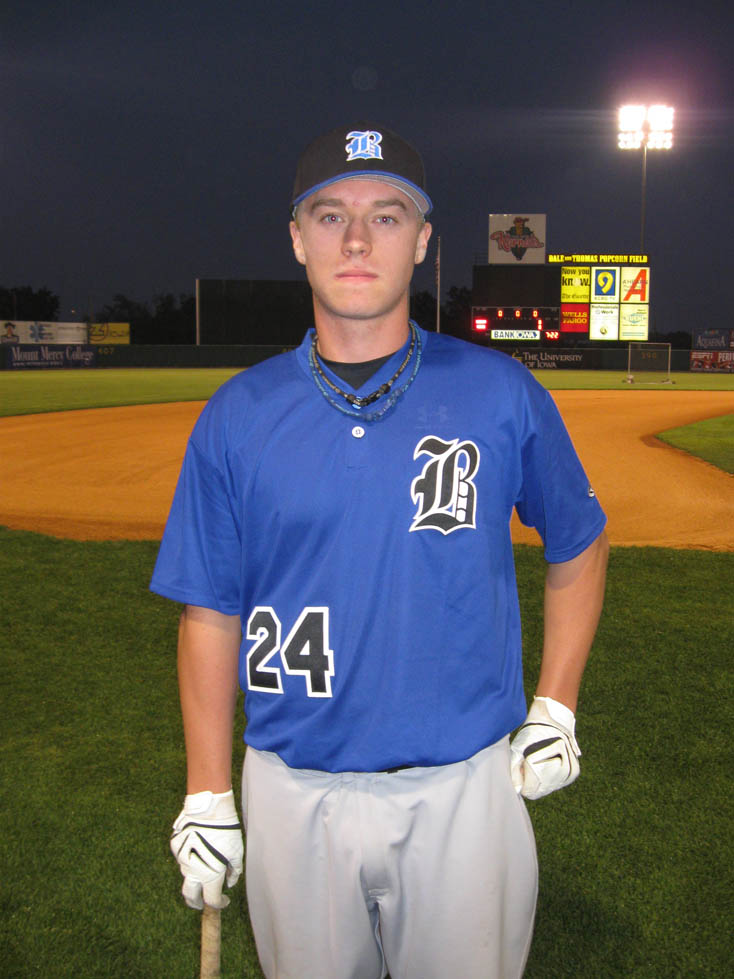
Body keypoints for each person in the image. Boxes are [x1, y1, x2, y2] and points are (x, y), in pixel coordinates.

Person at [152, 123, 609, 979]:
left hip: (465, 787)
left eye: (387, 216)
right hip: (290, 786)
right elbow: (209, 607)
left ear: (423, 241)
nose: (357, 239)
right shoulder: (237, 416)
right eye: (330, 216)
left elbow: (580, 541)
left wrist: (556, 706)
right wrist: (208, 791)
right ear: (297, 238)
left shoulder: (500, 392)